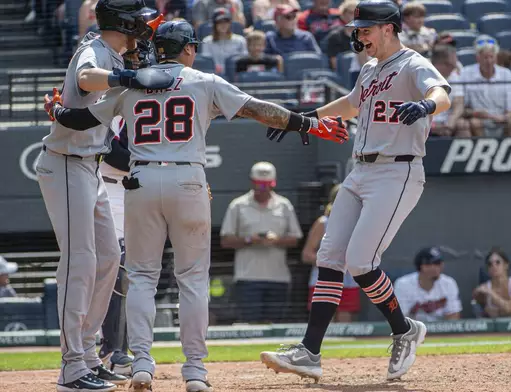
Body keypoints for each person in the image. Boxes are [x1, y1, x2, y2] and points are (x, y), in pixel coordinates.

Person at [44, 19, 348, 392]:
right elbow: (260, 110)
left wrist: (56, 110)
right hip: (187, 178)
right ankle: (195, 371)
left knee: (141, 277)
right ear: (188, 48)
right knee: (192, 279)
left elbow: (80, 119)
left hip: (140, 179)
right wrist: (307, 124)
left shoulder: (133, 81)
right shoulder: (204, 81)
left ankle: (140, 363)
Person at [260, 0, 451, 383]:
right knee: (330, 255)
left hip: (397, 171)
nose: (359, 34)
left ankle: (404, 330)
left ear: (390, 29)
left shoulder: (412, 63)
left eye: (366, 28)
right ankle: (310, 352)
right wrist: (302, 120)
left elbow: (443, 92)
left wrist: (427, 105)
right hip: (359, 169)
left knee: (362, 261)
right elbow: (349, 105)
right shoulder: (368, 69)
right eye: (358, 28)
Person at [35, 1, 174, 391]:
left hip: (89, 166)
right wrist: (127, 78)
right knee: (79, 261)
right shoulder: (95, 51)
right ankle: (71, 367)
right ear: (125, 21)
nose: (146, 30)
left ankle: (89, 354)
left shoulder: (112, 52)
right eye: (141, 22)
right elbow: (87, 78)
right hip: (64, 163)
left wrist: (126, 75)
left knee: (110, 257)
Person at [96, 40, 155, 378]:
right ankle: (111, 350)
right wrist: (150, 161)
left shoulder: (150, 103)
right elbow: (113, 154)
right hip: (111, 187)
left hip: (140, 190)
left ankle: (127, 348)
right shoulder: (113, 99)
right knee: (114, 271)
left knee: (138, 273)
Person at [220, 162, 303, 324]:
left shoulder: (284, 205)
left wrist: (276, 240)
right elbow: (225, 240)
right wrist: (249, 239)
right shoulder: (238, 205)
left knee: (275, 325)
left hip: (278, 278)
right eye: (260, 185)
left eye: (267, 185)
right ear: (252, 182)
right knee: (251, 325)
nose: (263, 189)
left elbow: (295, 238)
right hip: (248, 277)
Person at [302, 184, 361, 323]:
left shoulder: (358, 224)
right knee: (322, 324)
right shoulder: (323, 223)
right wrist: (332, 261)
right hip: (323, 281)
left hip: (348, 282)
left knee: (344, 324)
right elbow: (306, 255)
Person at [457, 35, 511, 137]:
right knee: (474, 122)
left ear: (496, 57)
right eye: (485, 57)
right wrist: (475, 113)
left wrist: (503, 118)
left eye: (491, 57)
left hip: (503, 120)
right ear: (477, 58)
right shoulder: (465, 73)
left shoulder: (507, 74)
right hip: (479, 120)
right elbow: (462, 108)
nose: (488, 61)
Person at [393, 247, 462, 322]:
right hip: (413, 330)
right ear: (420, 266)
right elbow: (400, 319)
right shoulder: (403, 284)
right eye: (429, 264)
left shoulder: (449, 283)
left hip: (440, 330)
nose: (435, 267)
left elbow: (454, 316)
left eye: (438, 263)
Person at [472, 247, 511, 318]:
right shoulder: (484, 288)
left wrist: (491, 293)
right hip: (497, 328)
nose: (494, 266)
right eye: (490, 264)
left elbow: (510, 308)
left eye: (497, 262)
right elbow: (482, 312)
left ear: (506, 265)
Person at [430, 44, 468, 137]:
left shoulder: (453, 76)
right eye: (451, 65)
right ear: (438, 64)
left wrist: (450, 122)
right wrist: (433, 126)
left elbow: (459, 103)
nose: (454, 67)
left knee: (463, 125)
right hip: (425, 122)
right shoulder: (420, 76)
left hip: (446, 121)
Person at [201, 7, 248, 74]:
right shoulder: (207, 41)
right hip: (214, 76)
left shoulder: (240, 40)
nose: (223, 25)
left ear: (230, 23)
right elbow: (207, 63)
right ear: (214, 25)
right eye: (219, 22)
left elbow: (244, 61)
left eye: (226, 22)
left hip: (235, 75)